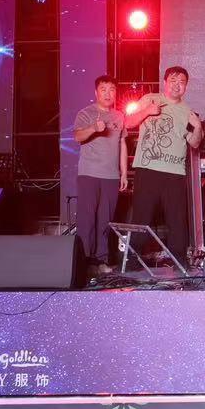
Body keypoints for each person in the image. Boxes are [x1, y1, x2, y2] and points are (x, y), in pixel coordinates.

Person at [129, 66, 203, 264]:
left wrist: (198, 127)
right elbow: (128, 123)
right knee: (141, 216)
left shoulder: (187, 111)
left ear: (186, 86)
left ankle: (179, 262)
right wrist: (147, 111)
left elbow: (195, 143)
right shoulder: (149, 99)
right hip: (148, 169)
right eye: (173, 81)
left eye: (182, 82)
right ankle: (132, 262)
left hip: (175, 172)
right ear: (164, 82)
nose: (177, 85)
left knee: (176, 220)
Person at [69, 75, 128, 271]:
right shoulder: (86, 113)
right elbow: (77, 136)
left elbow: (122, 144)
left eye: (112, 89)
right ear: (96, 92)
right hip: (89, 174)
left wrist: (124, 173)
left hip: (111, 176)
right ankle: (84, 263)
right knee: (87, 220)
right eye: (103, 89)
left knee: (105, 221)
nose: (108, 93)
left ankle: (101, 261)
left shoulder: (119, 116)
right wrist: (94, 128)